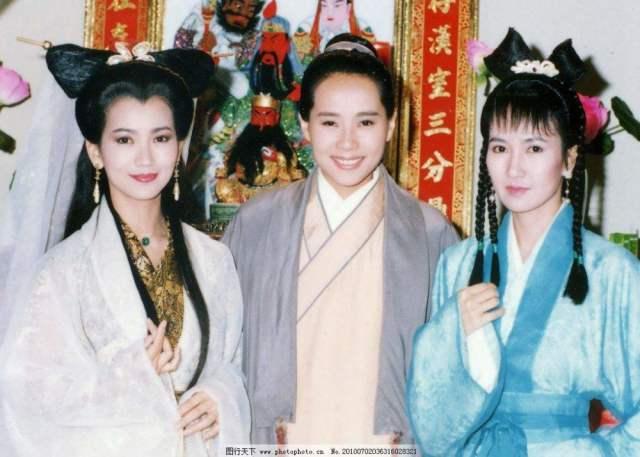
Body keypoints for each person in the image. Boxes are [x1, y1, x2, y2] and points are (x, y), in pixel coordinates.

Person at [0, 42, 249, 456]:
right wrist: (129, 377)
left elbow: (232, 364)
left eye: (161, 137)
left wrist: (220, 395)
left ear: (178, 146)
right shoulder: (62, 272)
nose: (145, 158)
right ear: (96, 152)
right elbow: (25, 402)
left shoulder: (213, 260)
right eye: (124, 140)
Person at [407, 28, 640, 456]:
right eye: (500, 148)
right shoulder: (457, 264)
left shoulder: (612, 271)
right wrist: (451, 330)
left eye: (534, 148)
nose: (513, 168)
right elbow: (431, 420)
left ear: (569, 159)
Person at [222, 33, 458, 445]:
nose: (348, 142)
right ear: (305, 125)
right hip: (278, 441)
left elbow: (450, 372)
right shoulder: (255, 223)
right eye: (330, 122)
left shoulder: (430, 233)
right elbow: (221, 352)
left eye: (366, 122)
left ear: (391, 125)